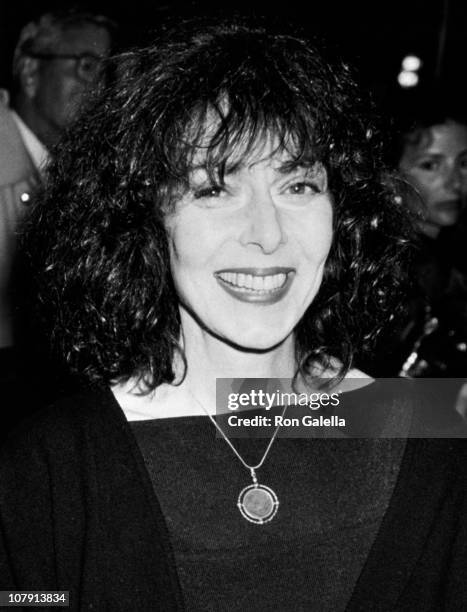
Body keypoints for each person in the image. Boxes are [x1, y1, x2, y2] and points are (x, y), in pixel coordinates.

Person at [1, 20, 466, 611]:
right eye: (215, 189)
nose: (268, 236)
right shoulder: (51, 470)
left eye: (298, 185)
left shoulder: (430, 441)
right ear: (146, 216)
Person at [0, 9, 114, 361]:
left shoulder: (73, 173)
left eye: (106, 72)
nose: (101, 89)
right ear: (31, 70)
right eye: (85, 65)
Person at [388, 109, 467, 377]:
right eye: (430, 165)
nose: (455, 182)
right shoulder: (396, 267)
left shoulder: (448, 254)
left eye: (464, 163)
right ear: (390, 176)